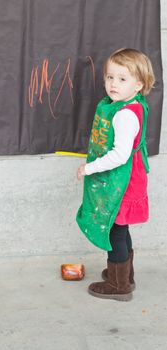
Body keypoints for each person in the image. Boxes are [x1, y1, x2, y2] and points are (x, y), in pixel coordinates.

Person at [76, 48, 155, 301]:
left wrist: (89, 167)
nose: (113, 84)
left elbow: (119, 155)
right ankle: (125, 274)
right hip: (130, 178)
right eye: (110, 77)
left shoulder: (123, 115)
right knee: (121, 228)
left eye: (122, 79)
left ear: (139, 84)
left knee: (114, 231)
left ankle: (118, 285)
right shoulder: (134, 104)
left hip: (123, 182)